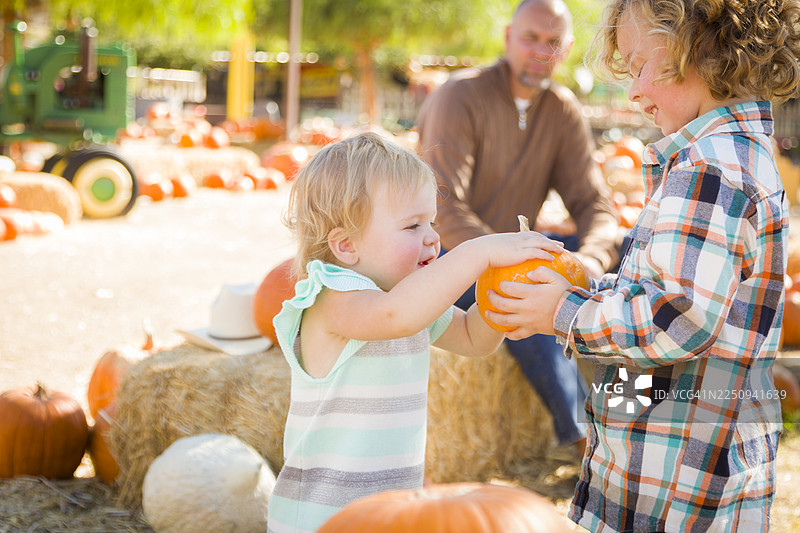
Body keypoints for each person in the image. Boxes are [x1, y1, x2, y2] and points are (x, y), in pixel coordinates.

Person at [487, 0, 800, 530]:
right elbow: (673, 296)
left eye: (637, 66)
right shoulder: (736, 155)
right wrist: (591, 283)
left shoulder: (709, 169)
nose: (632, 91)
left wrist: (564, 313)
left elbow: (677, 320)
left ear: (695, 48)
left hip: (672, 484)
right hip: (683, 456)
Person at [265, 132, 564, 533]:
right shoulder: (331, 297)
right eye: (412, 226)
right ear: (346, 245)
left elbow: (473, 340)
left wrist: (501, 298)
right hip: (323, 517)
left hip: (389, 512)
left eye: (432, 222)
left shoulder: (406, 298)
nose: (432, 237)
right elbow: (394, 317)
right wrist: (478, 251)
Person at [415, 0, 619, 455]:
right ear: (508, 37)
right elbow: (442, 206)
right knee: (520, 291)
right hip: (454, 256)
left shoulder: (561, 110)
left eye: (553, 42)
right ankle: (585, 435)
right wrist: (499, 257)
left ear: (565, 48)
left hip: (523, 249)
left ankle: (648, 414)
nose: (541, 51)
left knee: (627, 255)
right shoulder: (459, 96)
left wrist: (588, 261)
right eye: (531, 38)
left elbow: (594, 204)